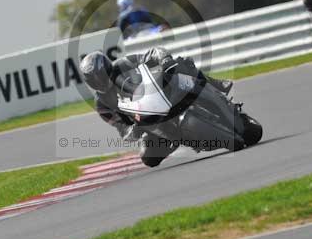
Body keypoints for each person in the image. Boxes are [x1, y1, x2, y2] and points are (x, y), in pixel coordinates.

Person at [79, 47, 233, 166]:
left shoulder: (123, 64)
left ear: (108, 67)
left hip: (158, 91)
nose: (100, 82)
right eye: (94, 80)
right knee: (148, 158)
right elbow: (122, 129)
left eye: (101, 75)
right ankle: (176, 140)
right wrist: (133, 130)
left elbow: (152, 53)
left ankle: (215, 83)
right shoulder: (102, 104)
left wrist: (164, 59)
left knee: (180, 63)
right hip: (146, 120)